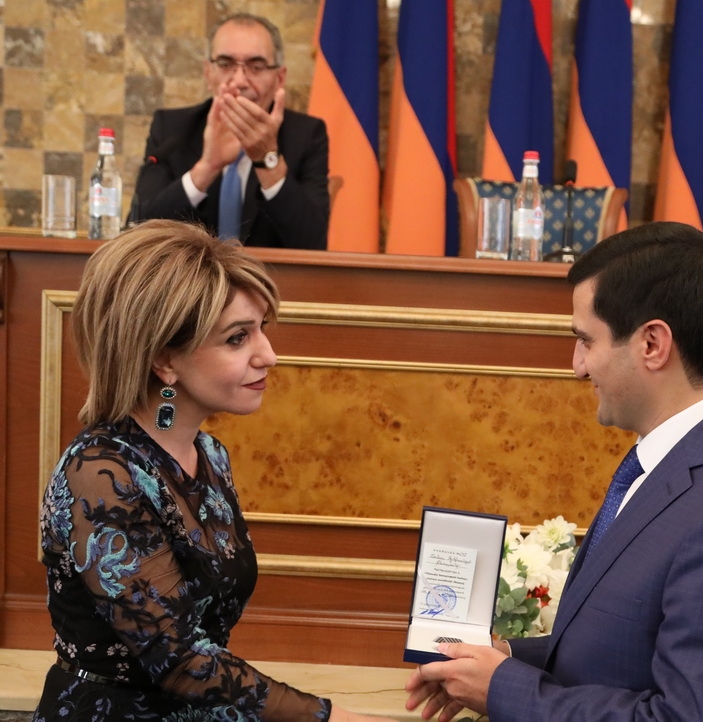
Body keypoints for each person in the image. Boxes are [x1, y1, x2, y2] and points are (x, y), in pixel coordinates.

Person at [405, 222, 703, 721]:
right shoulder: (683, 458)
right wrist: (503, 662)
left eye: (586, 341)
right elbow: (624, 651)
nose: (577, 367)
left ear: (652, 343)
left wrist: (505, 689)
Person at [33, 220, 387, 722]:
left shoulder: (210, 454)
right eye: (238, 338)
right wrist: (329, 717)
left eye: (262, 329)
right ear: (164, 359)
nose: (269, 355)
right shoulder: (100, 474)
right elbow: (180, 660)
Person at [128, 13, 330, 250]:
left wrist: (268, 161)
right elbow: (137, 234)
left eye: (256, 67)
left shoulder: (306, 135)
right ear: (208, 73)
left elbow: (313, 243)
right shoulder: (171, 128)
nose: (240, 81)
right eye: (225, 65)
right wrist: (206, 168)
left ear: (279, 78)